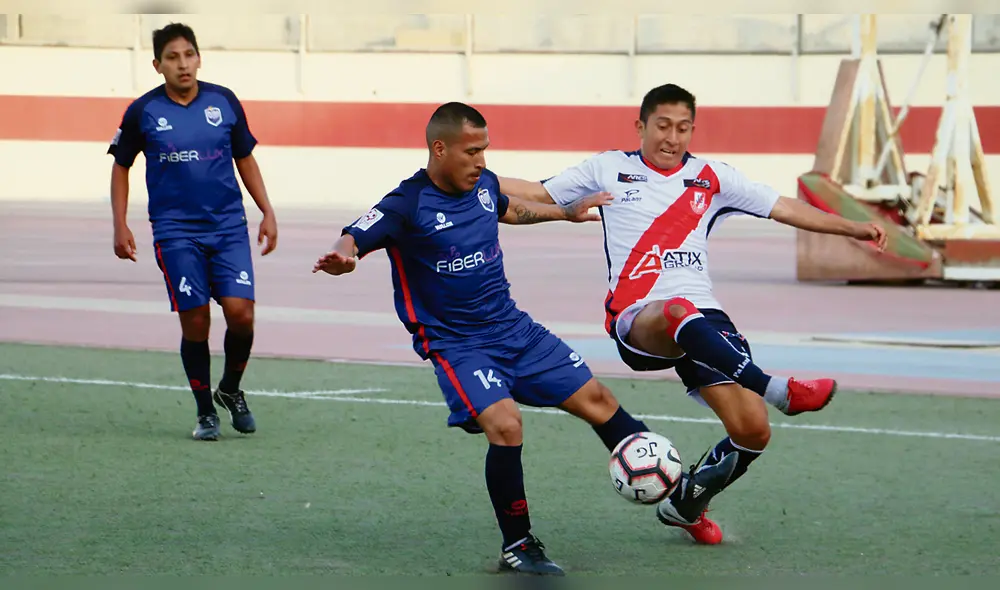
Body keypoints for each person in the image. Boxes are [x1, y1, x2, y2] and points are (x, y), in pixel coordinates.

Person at [312, 101, 738, 576]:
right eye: (472, 151)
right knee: (506, 424)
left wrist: (565, 212)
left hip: (513, 328)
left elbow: (509, 208)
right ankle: (518, 544)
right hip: (457, 343)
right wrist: (344, 257)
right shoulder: (406, 203)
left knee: (598, 400)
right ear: (439, 148)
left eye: (485, 150)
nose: (481, 161)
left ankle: (676, 492)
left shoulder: (483, 185)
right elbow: (353, 236)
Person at [497, 83, 888, 546]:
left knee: (753, 431)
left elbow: (784, 207)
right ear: (641, 126)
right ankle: (777, 389)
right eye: (663, 126)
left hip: (704, 319)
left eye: (683, 128)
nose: (672, 137)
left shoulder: (712, 177)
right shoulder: (608, 168)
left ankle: (685, 505)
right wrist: (472, 176)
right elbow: (537, 191)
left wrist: (854, 229)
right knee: (678, 311)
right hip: (639, 318)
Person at [106, 23, 278, 441]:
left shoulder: (224, 101)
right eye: (172, 57)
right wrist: (120, 223)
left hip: (228, 227)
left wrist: (267, 210)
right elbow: (121, 165)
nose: (182, 64)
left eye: (188, 55)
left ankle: (230, 389)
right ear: (157, 65)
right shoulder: (143, 111)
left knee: (241, 314)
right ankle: (205, 412)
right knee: (196, 320)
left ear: (199, 58)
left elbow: (245, 158)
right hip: (175, 232)